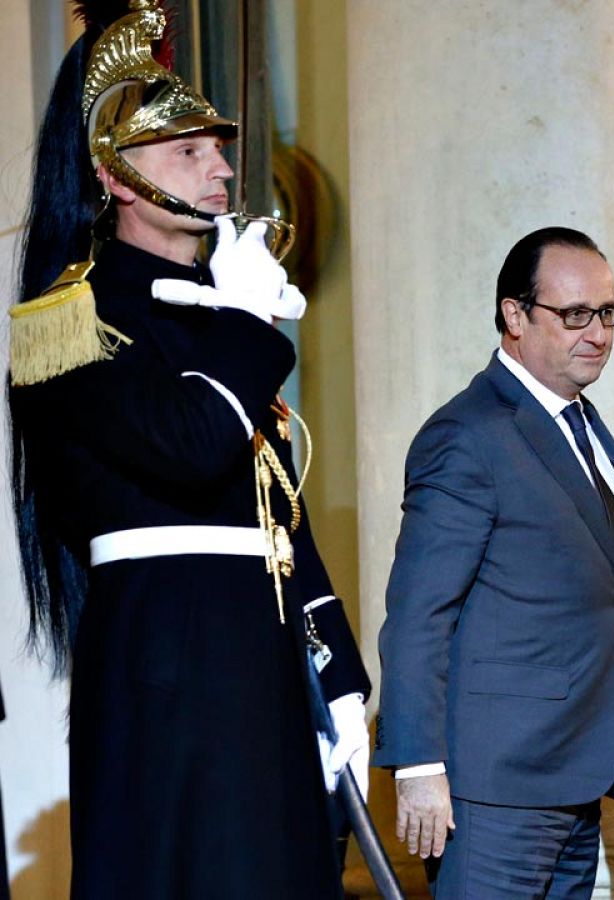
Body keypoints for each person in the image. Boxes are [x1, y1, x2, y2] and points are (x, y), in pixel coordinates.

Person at [9, 2, 369, 896]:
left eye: (217, 149)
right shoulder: (73, 319)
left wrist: (338, 670)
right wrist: (246, 323)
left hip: (265, 652)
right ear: (115, 176)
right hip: (168, 658)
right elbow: (194, 448)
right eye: (187, 152)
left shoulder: (216, 309)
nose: (221, 170)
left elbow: (274, 508)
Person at [373, 226, 614, 898]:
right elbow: (419, 613)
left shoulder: (579, 422)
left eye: (607, 312)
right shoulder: (468, 434)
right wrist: (417, 767)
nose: (598, 333)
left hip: (575, 774)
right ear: (514, 315)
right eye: (575, 314)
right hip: (492, 789)